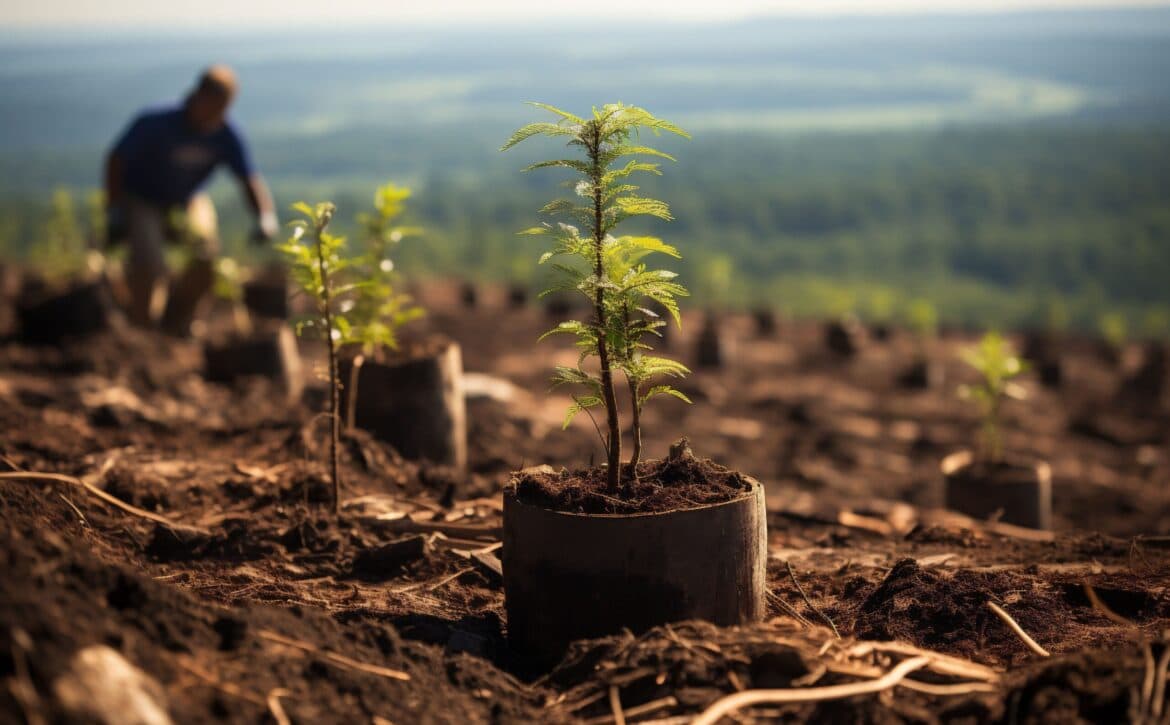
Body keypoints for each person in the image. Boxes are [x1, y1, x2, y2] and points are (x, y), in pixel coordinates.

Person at [104, 65, 278, 335]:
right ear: (198, 95)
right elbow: (116, 160)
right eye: (213, 106)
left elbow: (249, 179)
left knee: (206, 258)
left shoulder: (226, 133)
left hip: (188, 199)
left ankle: (178, 322)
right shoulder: (155, 122)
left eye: (223, 108)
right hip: (143, 199)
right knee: (150, 266)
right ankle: (143, 327)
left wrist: (264, 216)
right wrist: (114, 210)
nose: (216, 114)